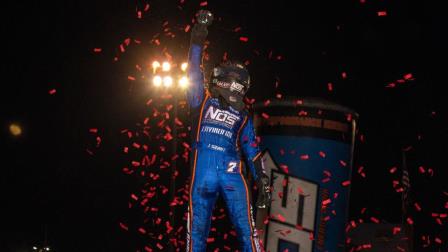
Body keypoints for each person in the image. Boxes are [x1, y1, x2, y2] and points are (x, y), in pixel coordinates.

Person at [186, 10, 271, 252]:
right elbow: (193, 71)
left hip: (231, 171)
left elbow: (252, 148)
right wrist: (198, 36)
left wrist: (262, 180)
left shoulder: (243, 115)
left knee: (246, 228)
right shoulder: (201, 101)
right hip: (204, 170)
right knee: (197, 231)